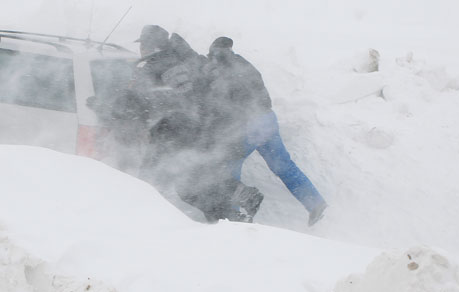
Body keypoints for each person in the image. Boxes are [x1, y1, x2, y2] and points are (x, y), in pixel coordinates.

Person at [103, 25, 264, 223]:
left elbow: (134, 101)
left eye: (143, 44)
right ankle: (235, 210)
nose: (141, 49)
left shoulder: (153, 66)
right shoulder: (184, 58)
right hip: (199, 125)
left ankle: (139, 221)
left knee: (151, 179)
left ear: (151, 46)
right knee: (194, 180)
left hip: (170, 131)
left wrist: (102, 106)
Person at [203, 37, 328, 226]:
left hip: (248, 126)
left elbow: (224, 106)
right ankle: (315, 203)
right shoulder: (245, 65)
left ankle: (233, 219)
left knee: (228, 168)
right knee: (284, 166)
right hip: (267, 120)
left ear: (215, 52)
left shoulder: (220, 70)